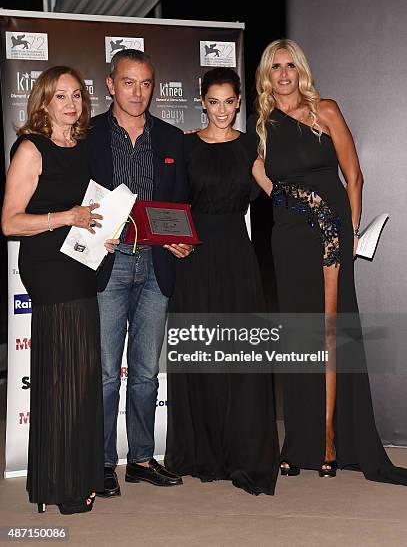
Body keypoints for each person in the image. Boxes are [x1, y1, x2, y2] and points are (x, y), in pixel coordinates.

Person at [251, 38, 407, 484]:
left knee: (331, 331)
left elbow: (353, 175)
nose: (283, 75)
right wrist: (283, 196)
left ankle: (331, 439)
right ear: (267, 75)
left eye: (290, 66)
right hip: (288, 237)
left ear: (301, 70)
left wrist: (350, 231)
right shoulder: (263, 122)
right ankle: (298, 441)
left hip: (330, 232)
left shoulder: (327, 111)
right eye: (275, 67)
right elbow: (258, 171)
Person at [1, 66, 115, 514]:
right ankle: (63, 484)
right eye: (61, 96)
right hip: (49, 268)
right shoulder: (32, 148)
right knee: (67, 372)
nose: (72, 104)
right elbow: (9, 221)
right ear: (44, 102)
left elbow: (87, 211)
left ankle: (69, 475)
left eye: (77, 96)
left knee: (79, 373)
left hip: (82, 262)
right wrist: (66, 218)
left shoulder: (82, 148)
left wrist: (99, 232)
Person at [164, 67, 279, 496]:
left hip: (236, 255)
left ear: (238, 102)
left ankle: (243, 454)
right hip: (194, 258)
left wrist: (321, 212)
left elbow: (273, 188)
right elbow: (169, 201)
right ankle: (201, 453)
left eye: (230, 102)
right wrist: (171, 242)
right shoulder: (185, 145)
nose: (222, 111)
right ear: (202, 102)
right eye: (214, 102)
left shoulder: (250, 145)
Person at [87, 49, 191, 497]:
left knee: (146, 372)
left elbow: (180, 202)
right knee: (108, 372)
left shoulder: (170, 138)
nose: (137, 92)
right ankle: (102, 461)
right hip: (108, 263)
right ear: (111, 84)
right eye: (128, 82)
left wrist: (181, 236)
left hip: (155, 264)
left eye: (145, 83)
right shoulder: (86, 134)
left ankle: (142, 459)